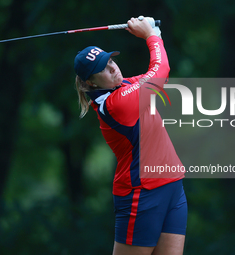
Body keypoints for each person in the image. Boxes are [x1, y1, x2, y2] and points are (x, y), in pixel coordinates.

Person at [74, 17, 187, 255]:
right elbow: (160, 72)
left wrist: (154, 31)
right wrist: (150, 35)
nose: (112, 67)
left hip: (171, 185)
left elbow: (157, 73)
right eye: (102, 69)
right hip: (141, 192)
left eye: (110, 61)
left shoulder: (125, 86)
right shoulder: (116, 104)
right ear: (91, 83)